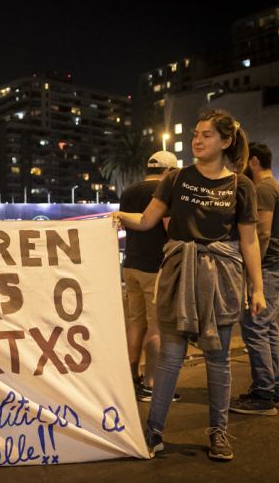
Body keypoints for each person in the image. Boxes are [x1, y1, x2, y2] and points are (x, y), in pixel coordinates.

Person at [111, 109, 265, 462]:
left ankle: (218, 432)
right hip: (177, 274)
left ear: (226, 141)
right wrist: (118, 217)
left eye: (207, 135)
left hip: (221, 278)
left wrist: (256, 288)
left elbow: (249, 240)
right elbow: (147, 219)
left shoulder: (241, 185)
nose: (197, 140)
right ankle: (154, 432)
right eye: (196, 133)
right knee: (170, 356)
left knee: (218, 358)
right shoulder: (176, 177)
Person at [229, 142, 279, 416]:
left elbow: (262, 233)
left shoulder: (263, 189)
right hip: (278, 264)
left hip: (268, 266)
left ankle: (263, 395)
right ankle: (276, 391)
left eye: (245, 161)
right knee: (268, 328)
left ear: (254, 161)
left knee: (254, 326)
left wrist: (252, 272)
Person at [120, 151, 179, 402]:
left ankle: (131, 378)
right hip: (155, 267)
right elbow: (169, 226)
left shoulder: (128, 191)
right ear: (168, 171)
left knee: (136, 323)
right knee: (157, 327)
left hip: (131, 264)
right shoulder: (165, 190)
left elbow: (125, 224)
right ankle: (151, 385)